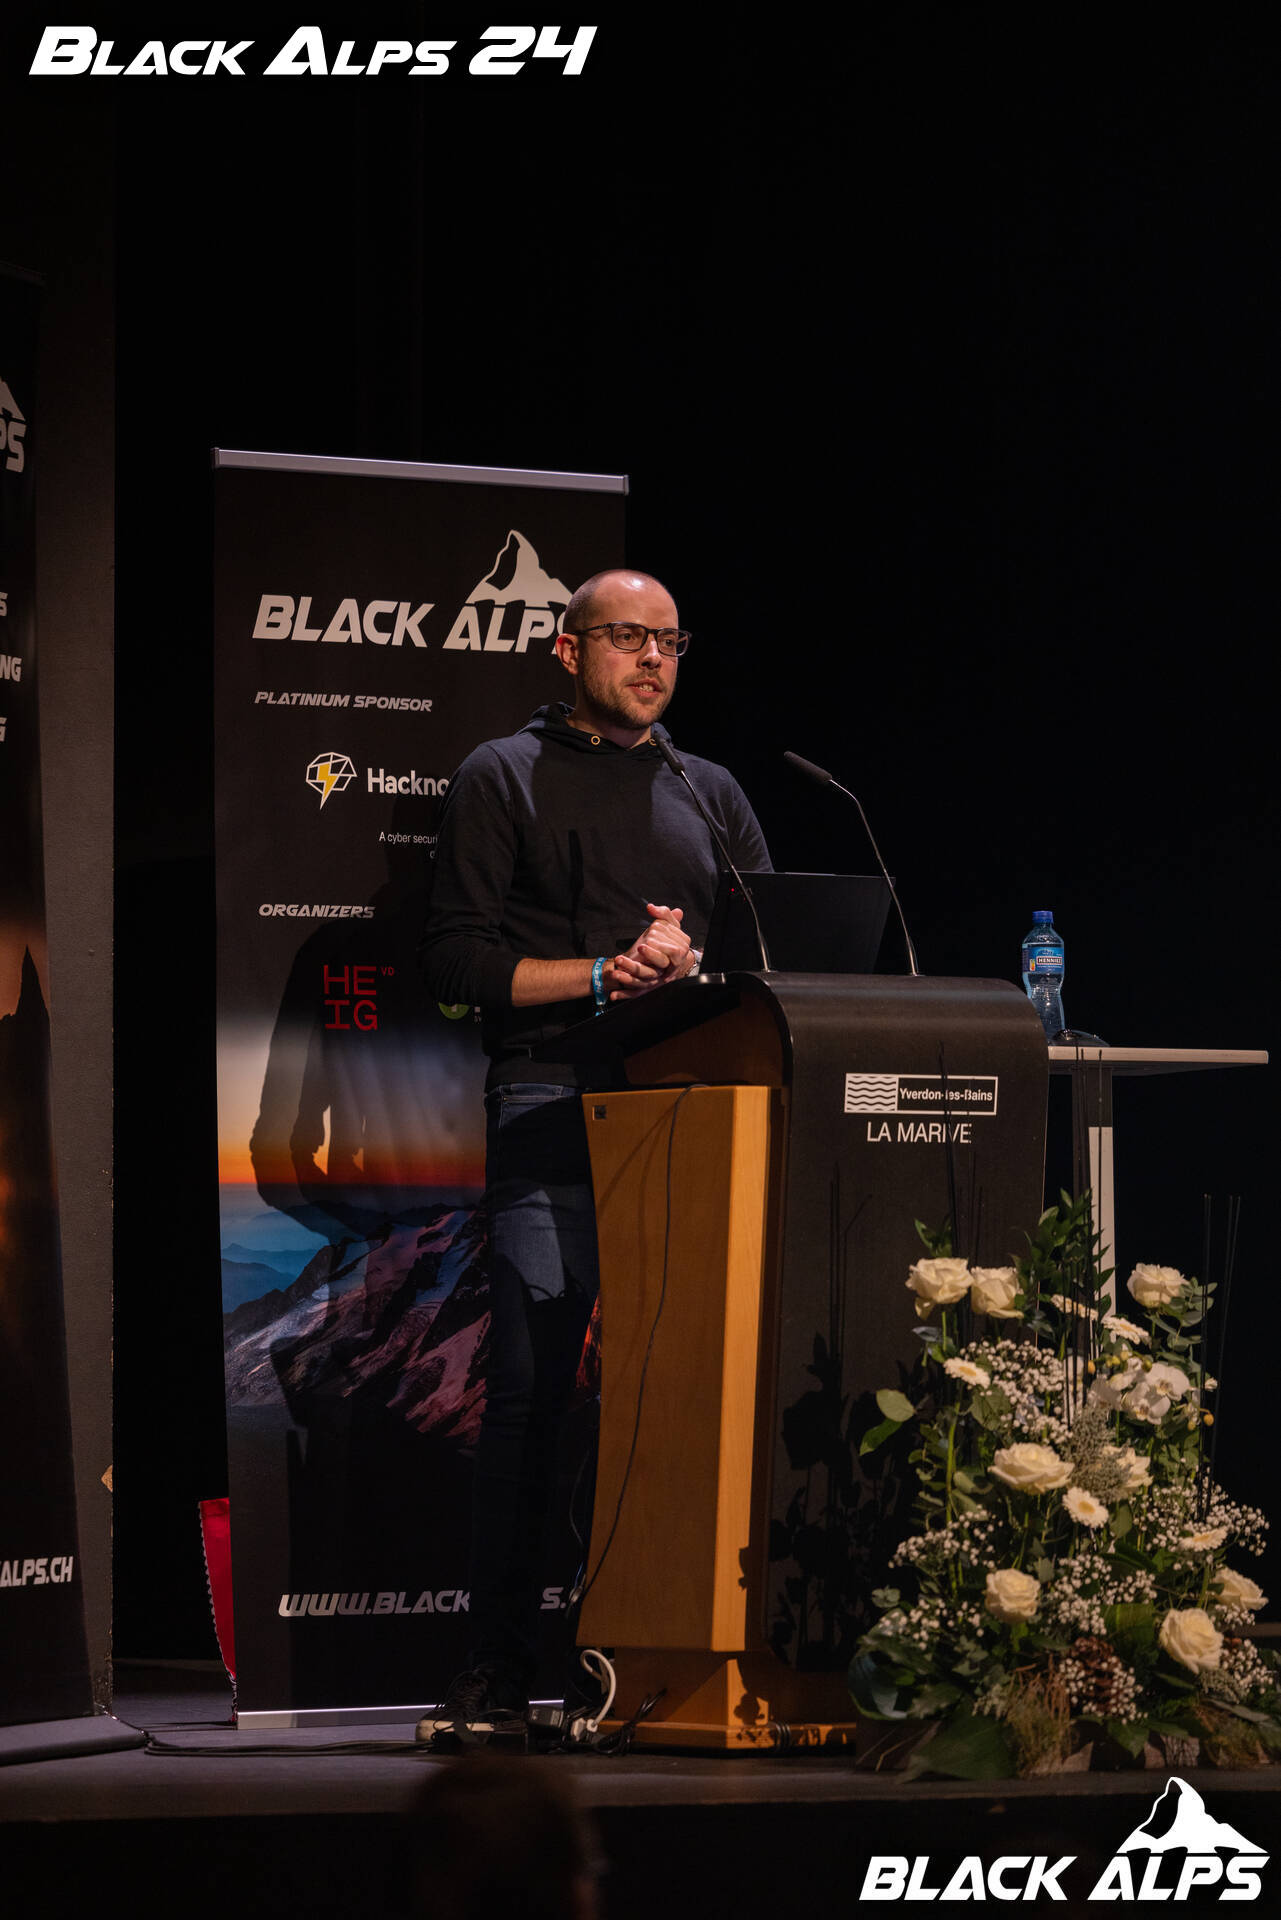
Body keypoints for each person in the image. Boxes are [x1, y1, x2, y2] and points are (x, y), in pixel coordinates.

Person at [416, 567, 770, 1744]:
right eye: (626, 637)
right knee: (533, 1390)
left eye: (669, 641)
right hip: (550, 1101)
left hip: (696, 1112)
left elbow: (772, 958)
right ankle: (494, 1675)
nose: (652, 658)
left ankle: (636, 1665)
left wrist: (696, 968)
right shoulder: (501, 774)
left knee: (684, 1393)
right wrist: (605, 976)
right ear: (568, 651)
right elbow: (456, 966)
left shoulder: (708, 791)